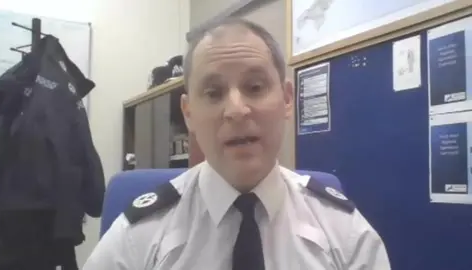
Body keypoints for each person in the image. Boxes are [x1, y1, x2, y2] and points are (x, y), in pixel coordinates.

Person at [83, 18, 390, 270]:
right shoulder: (138, 237)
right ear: (188, 114)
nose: (236, 110)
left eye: (255, 87)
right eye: (214, 93)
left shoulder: (345, 233)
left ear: (286, 100)